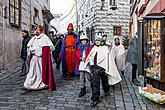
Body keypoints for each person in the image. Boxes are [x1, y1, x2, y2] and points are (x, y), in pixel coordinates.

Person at [84, 35, 122, 107]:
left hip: (103, 68)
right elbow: (90, 57)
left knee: (105, 81)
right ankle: (95, 99)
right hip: (95, 69)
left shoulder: (105, 48)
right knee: (95, 84)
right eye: (96, 41)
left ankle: (106, 90)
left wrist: (109, 50)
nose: (97, 42)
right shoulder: (94, 48)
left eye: (99, 40)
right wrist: (91, 64)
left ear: (101, 41)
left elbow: (109, 57)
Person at [24, 25, 56, 91]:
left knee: (39, 72)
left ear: (41, 31)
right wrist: (30, 51)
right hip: (34, 58)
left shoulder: (45, 38)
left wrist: (38, 50)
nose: (36, 31)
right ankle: (29, 83)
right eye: (35, 30)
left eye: (37, 30)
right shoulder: (33, 38)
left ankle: (41, 83)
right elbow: (29, 47)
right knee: (32, 72)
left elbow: (51, 47)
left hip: (41, 59)